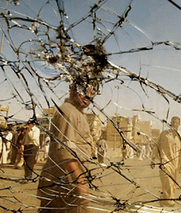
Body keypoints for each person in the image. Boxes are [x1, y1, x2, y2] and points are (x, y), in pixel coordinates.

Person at [37, 43, 107, 213]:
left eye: (92, 92)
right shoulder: (67, 112)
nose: (88, 96)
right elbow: (66, 155)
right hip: (63, 188)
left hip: (67, 186)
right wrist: (80, 184)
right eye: (83, 90)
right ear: (72, 89)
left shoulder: (78, 113)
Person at [150, 116, 181, 207]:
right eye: (173, 122)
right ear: (170, 123)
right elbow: (157, 146)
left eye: (176, 123)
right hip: (164, 161)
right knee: (167, 181)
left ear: (179, 124)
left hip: (175, 163)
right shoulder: (164, 134)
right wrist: (153, 159)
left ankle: (165, 198)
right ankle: (169, 201)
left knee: (173, 183)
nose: (174, 124)